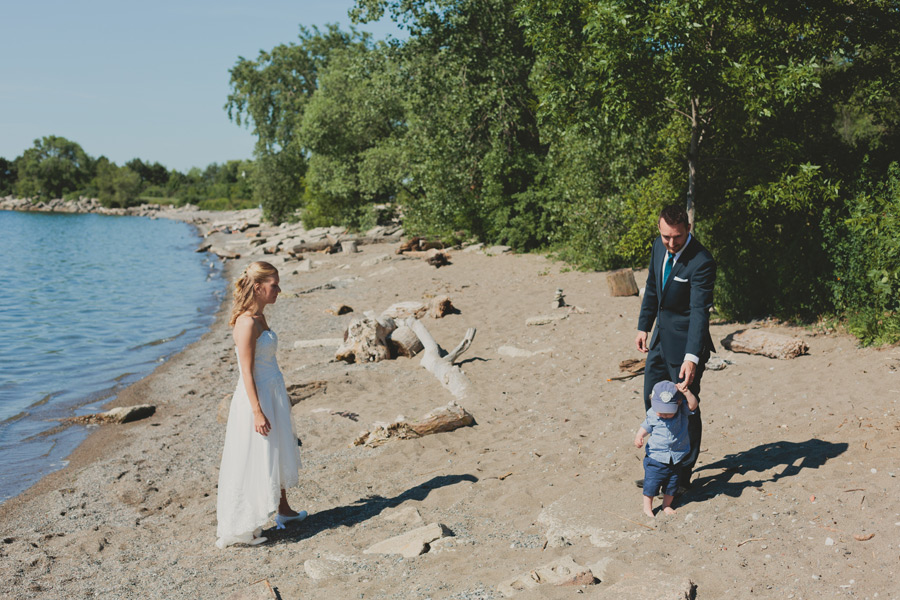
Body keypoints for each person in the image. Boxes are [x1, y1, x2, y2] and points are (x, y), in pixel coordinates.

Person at [216, 261, 306, 548]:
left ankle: (284, 510)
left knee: (276, 448)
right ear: (258, 287)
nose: (278, 289)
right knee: (257, 454)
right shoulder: (246, 323)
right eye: (274, 284)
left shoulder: (260, 318)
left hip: (272, 390)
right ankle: (242, 527)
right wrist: (257, 411)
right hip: (256, 396)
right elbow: (246, 371)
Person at [634, 204, 716, 493]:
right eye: (666, 236)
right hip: (659, 339)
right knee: (653, 401)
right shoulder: (659, 245)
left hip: (685, 348)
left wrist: (691, 358)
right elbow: (652, 288)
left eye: (677, 237)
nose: (671, 243)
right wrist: (644, 326)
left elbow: (699, 313)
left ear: (688, 230)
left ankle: (682, 476)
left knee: (684, 409)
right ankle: (658, 467)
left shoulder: (702, 261)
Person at [634, 381, 699, 517]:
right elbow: (646, 426)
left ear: (679, 403)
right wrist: (639, 435)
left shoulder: (681, 412)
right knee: (651, 485)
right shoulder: (653, 413)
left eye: (668, 412)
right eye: (661, 411)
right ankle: (647, 508)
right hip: (655, 458)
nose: (663, 415)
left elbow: (693, 405)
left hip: (675, 458)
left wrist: (686, 392)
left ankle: (666, 505)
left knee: (672, 486)